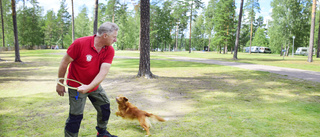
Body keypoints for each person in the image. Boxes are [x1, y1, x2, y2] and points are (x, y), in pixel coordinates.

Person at [56, 22, 118, 137]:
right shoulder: (80, 43)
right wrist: (60, 83)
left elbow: (103, 72)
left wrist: (89, 87)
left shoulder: (109, 50)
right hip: (76, 87)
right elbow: (64, 62)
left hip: (94, 86)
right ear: (105, 35)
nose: (115, 40)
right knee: (76, 116)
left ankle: (102, 132)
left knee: (104, 107)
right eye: (114, 37)